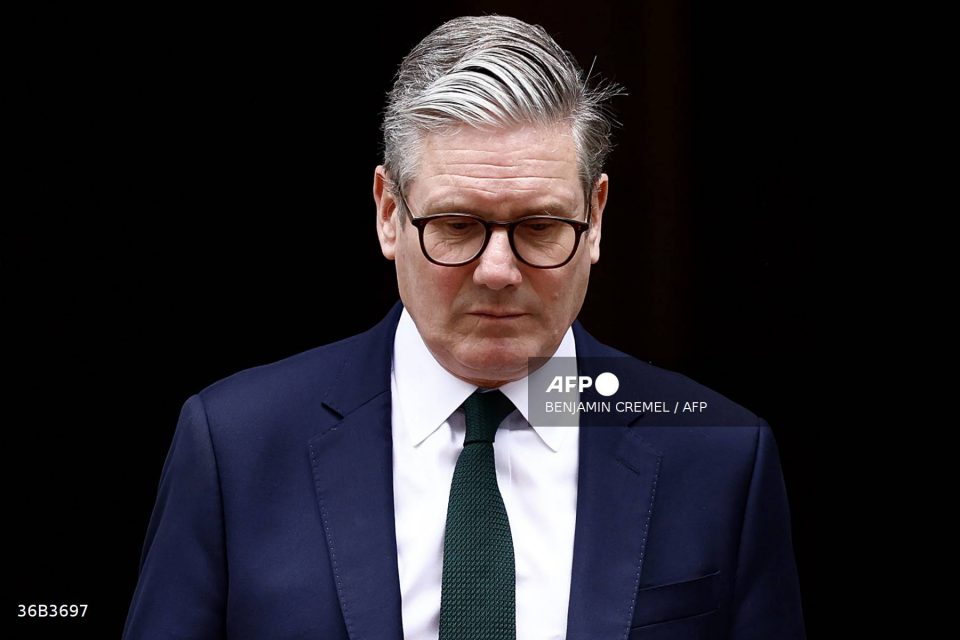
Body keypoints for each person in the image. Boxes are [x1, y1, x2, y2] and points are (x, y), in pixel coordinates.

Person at [123, 14, 805, 640]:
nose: (498, 270)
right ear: (389, 213)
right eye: (457, 225)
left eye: (540, 227)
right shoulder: (236, 446)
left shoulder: (717, 455)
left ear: (595, 218)